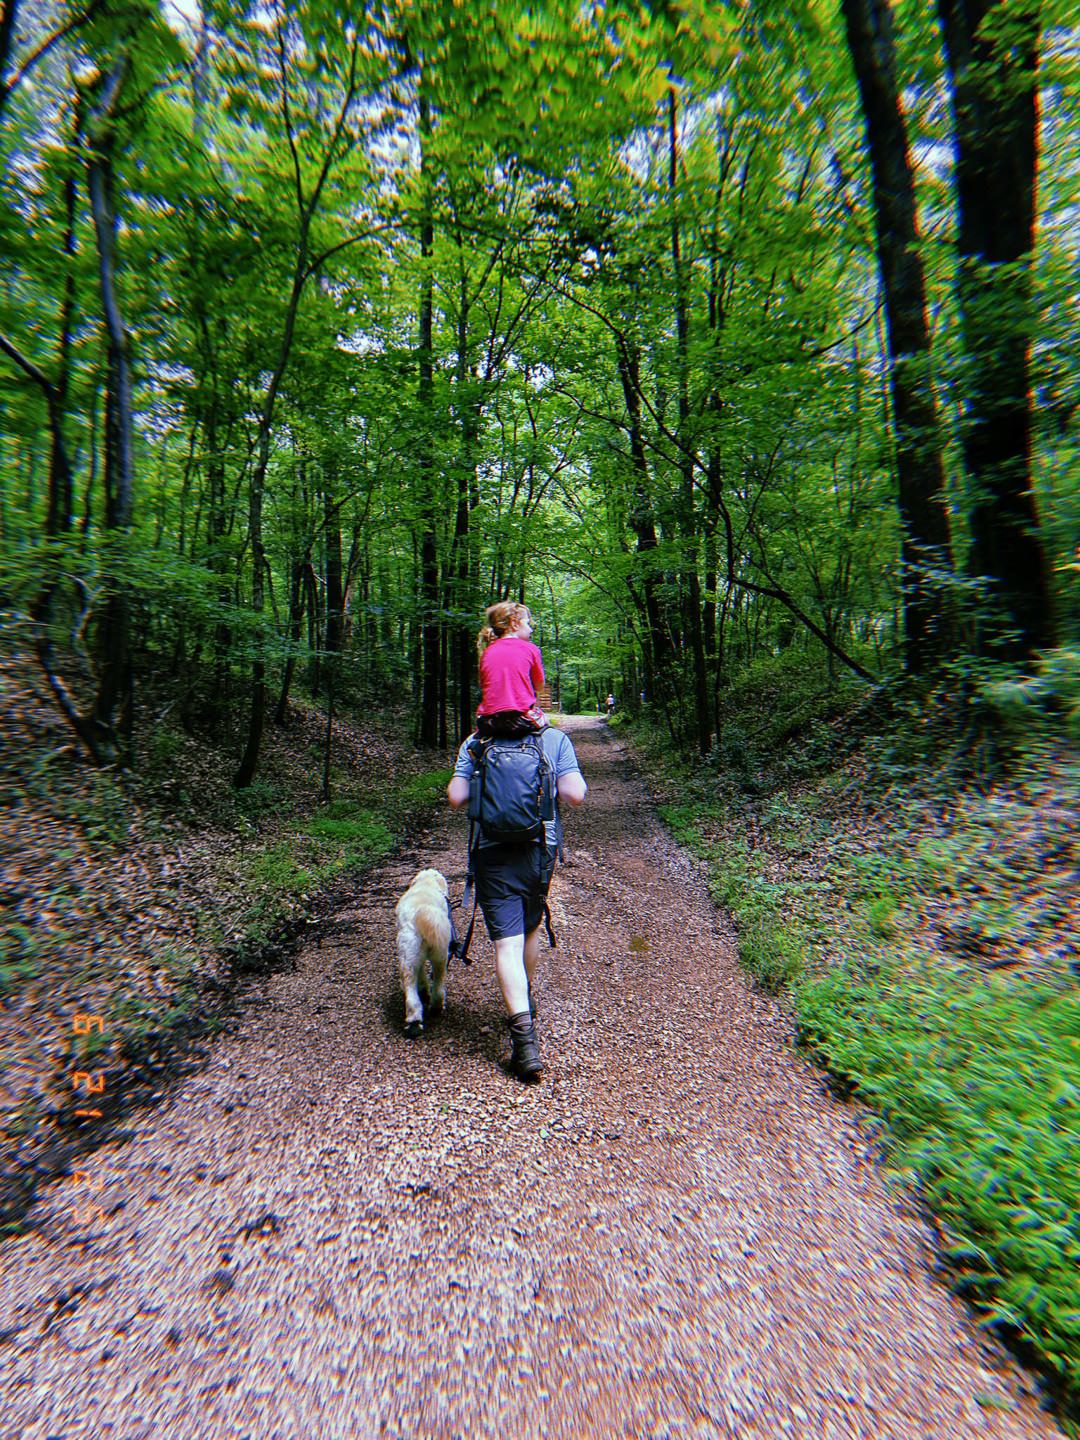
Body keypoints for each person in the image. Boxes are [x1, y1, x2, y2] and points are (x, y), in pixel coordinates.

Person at [447, 724, 587, 1081]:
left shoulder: (477, 741)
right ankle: (524, 998)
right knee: (530, 928)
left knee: (505, 944)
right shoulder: (553, 739)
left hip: (491, 851)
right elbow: (576, 794)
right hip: (540, 849)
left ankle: (525, 1047)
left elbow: (456, 797)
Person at [475, 601, 546, 738]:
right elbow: (539, 685)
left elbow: (484, 685)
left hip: (489, 721)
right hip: (521, 720)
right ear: (514, 624)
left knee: (471, 747)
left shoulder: (487, 652)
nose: (531, 629)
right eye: (527, 623)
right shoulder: (531, 649)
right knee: (549, 730)